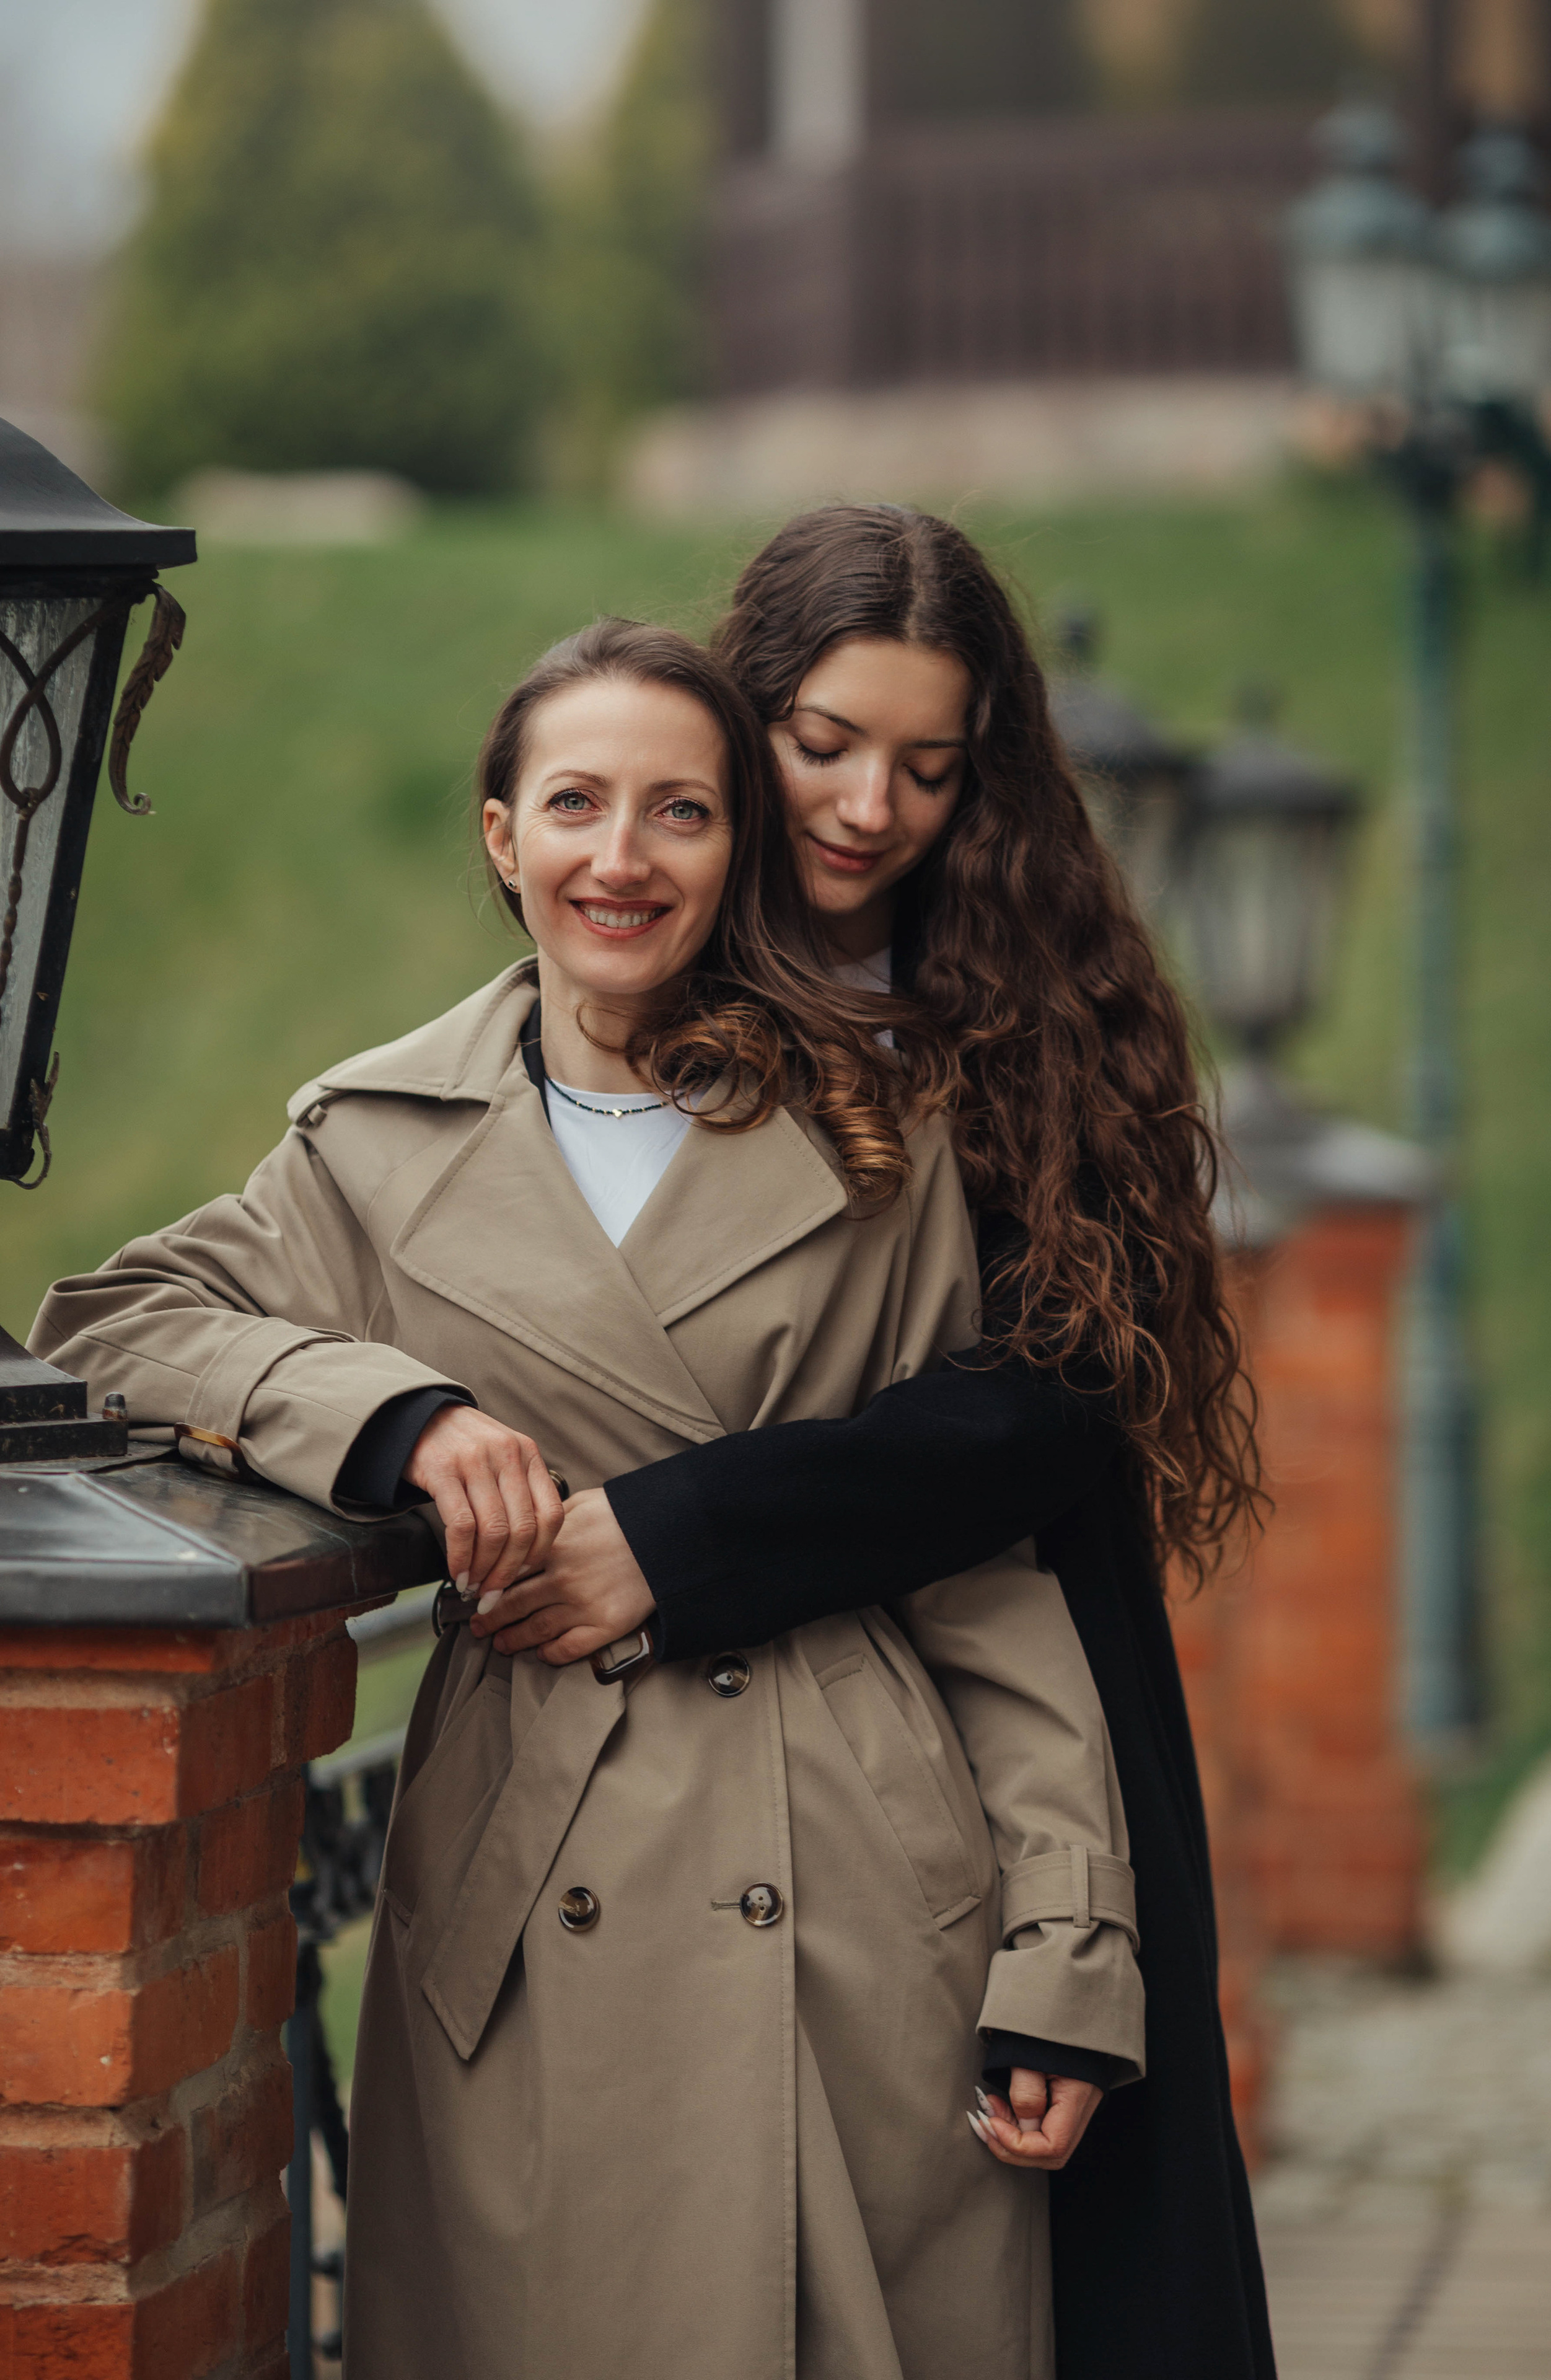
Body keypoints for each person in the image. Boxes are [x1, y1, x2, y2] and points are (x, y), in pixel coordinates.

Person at [31, 619, 1145, 2380]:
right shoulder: (376, 1139)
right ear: (501, 834)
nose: (620, 859)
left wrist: (1069, 1950)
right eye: (575, 803)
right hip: (529, 1868)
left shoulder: (880, 1135)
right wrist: (397, 1414)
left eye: (680, 813)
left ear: (738, 849)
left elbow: (976, 1571)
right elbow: (110, 1323)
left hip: (856, 1883)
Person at [435, 511, 1276, 2380]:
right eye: (819, 743)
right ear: (743, 722)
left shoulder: (1033, 1018)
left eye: (926, 763)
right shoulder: (637, 990)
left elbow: (1047, 1403)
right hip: (661, 1784)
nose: (866, 807)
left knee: (1075, 2272)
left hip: (1007, 1665)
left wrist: (681, 1526)